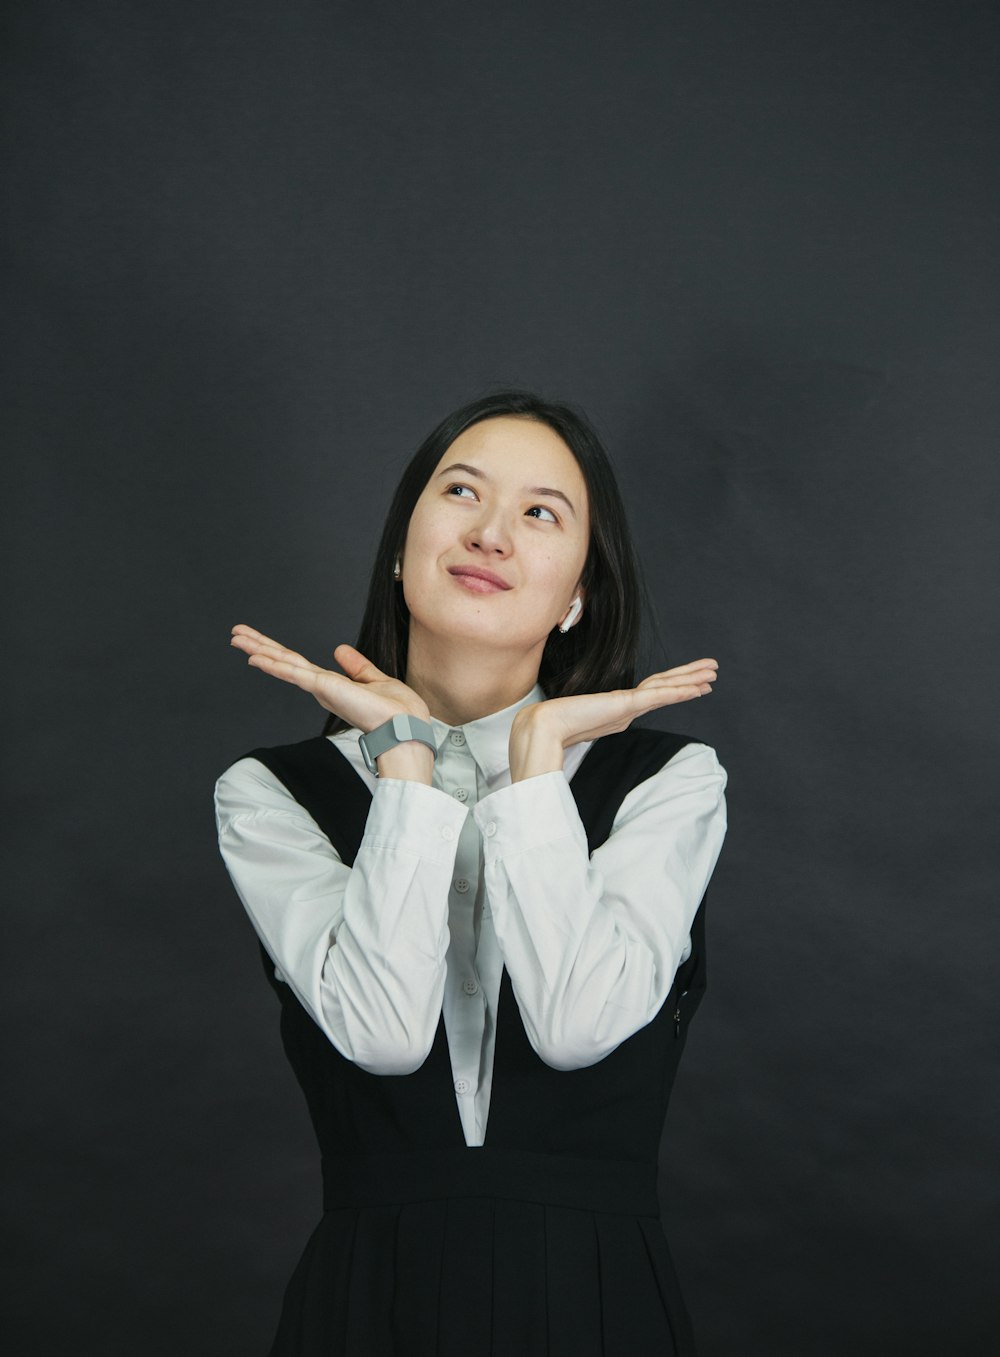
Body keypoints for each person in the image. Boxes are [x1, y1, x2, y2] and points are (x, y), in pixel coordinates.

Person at [214, 389, 728, 1357]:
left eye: (541, 511)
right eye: (461, 492)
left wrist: (536, 760)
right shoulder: (267, 792)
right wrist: (406, 762)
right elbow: (381, 1034)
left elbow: (578, 1026)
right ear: (400, 552)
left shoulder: (670, 782)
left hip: (599, 1304)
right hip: (366, 1307)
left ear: (578, 592)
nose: (492, 532)